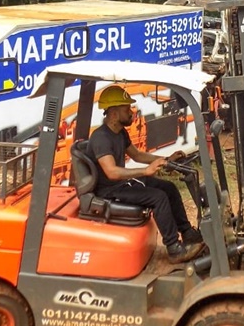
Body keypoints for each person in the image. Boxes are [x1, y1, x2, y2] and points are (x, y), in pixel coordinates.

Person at [87, 85, 204, 264]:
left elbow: (138, 155)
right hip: (109, 190)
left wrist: (166, 159)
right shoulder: (101, 138)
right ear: (113, 113)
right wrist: (145, 171)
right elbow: (111, 172)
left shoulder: (119, 133)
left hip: (120, 185)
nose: (131, 111)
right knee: (158, 197)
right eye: (126, 108)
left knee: (169, 188)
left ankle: (187, 232)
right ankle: (174, 248)